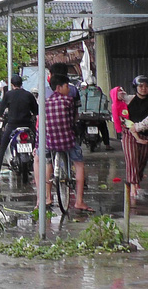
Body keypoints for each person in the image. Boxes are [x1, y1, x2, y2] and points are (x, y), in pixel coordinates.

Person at [40, 74, 94, 212]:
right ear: (58, 87)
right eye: (66, 86)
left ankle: (47, 197)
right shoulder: (68, 101)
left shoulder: (45, 102)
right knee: (79, 165)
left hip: (51, 142)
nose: (68, 89)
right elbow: (72, 120)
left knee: (48, 164)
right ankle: (79, 202)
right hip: (67, 141)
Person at [117, 75, 148, 198]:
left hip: (146, 135)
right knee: (132, 159)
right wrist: (130, 127)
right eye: (141, 86)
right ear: (136, 87)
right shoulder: (128, 99)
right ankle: (133, 185)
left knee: (142, 160)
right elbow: (118, 109)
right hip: (129, 134)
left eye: (146, 86)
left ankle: (137, 180)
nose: (143, 89)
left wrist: (138, 127)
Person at [0, 74, 38, 182]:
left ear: (12, 85)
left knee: (2, 148)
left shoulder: (8, 95)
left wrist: (0, 116)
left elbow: (1, 110)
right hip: (27, 124)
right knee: (37, 147)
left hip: (12, 125)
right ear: (21, 84)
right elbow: (36, 111)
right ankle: (38, 174)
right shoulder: (28, 95)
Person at [80, 76, 114, 151]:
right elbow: (105, 101)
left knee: (81, 128)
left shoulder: (83, 92)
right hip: (98, 115)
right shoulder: (99, 91)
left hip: (85, 115)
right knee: (103, 128)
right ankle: (107, 145)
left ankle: (78, 145)